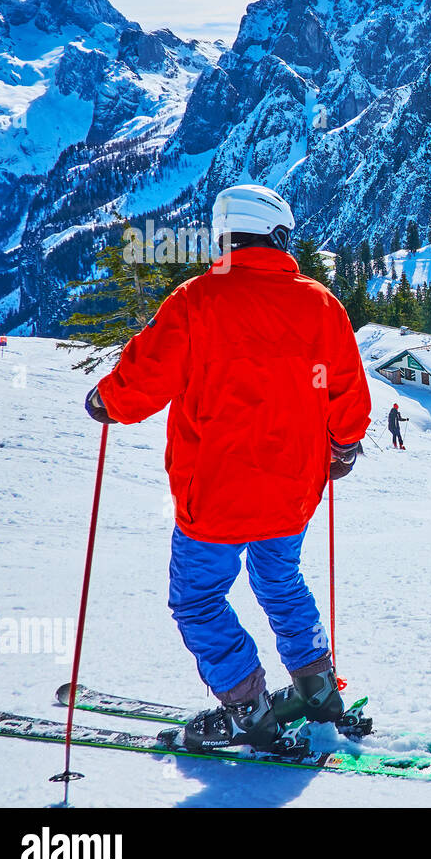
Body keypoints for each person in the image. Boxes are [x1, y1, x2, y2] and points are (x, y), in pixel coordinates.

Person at [82, 183, 370, 751]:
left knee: (198, 599)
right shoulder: (321, 304)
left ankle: (246, 706)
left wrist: (107, 399)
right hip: (292, 495)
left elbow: (145, 378)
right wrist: (343, 447)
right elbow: (346, 393)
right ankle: (315, 685)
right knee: (281, 579)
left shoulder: (196, 301)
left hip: (214, 497)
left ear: (224, 234)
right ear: (276, 234)